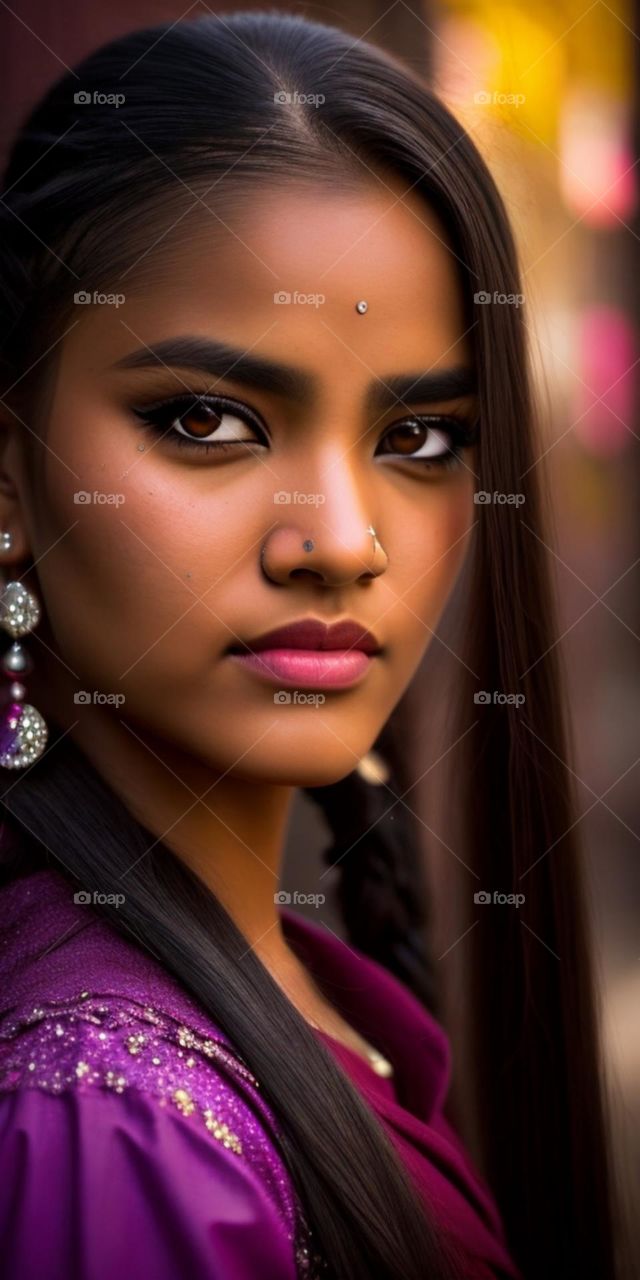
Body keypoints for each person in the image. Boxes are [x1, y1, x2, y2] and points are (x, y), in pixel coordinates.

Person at [0, 11, 617, 1279]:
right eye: (208, 419)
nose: (341, 541)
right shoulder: (111, 1126)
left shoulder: (291, 999)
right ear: (10, 475)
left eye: (418, 438)